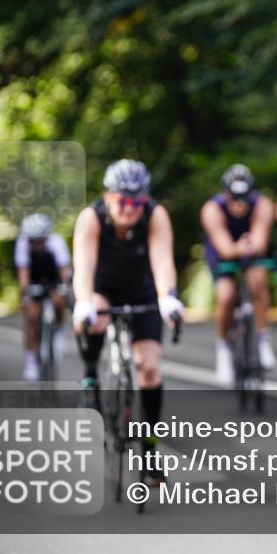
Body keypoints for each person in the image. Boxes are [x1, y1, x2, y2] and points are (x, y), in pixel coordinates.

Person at [71, 159, 183, 486]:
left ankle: (149, 450)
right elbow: (83, 268)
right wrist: (83, 303)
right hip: (102, 288)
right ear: (108, 197)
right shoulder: (91, 218)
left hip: (142, 290)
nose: (129, 208)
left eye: (137, 201)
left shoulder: (155, 215)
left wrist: (168, 296)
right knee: (94, 318)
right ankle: (91, 375)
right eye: (122, 200)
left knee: (149, 366)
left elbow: (162, 261)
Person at [201, 163, 277, 385]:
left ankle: (263, 339)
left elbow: (260, 241)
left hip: (250, 251)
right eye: (234, 197)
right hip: (223, 254)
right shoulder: (212, 209)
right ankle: (223, 349)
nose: (239, 203)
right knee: (226, 295)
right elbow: (225, 248)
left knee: (257, 280)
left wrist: (251, 246)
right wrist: (239, 248)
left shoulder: (262, 204)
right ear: (226, 193)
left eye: (244, 196)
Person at [15, 213, 71, 381]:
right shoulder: (22, 244)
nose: (36, 244)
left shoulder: (57, 242)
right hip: (34, 280)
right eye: (32, 241)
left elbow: (64, 271)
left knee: (59, 301)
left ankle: (58, 331)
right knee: (31, 316)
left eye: (39, 240)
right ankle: (31, 361)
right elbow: (23, 274)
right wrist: (25, 294)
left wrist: (65, 288)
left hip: (53, 279)